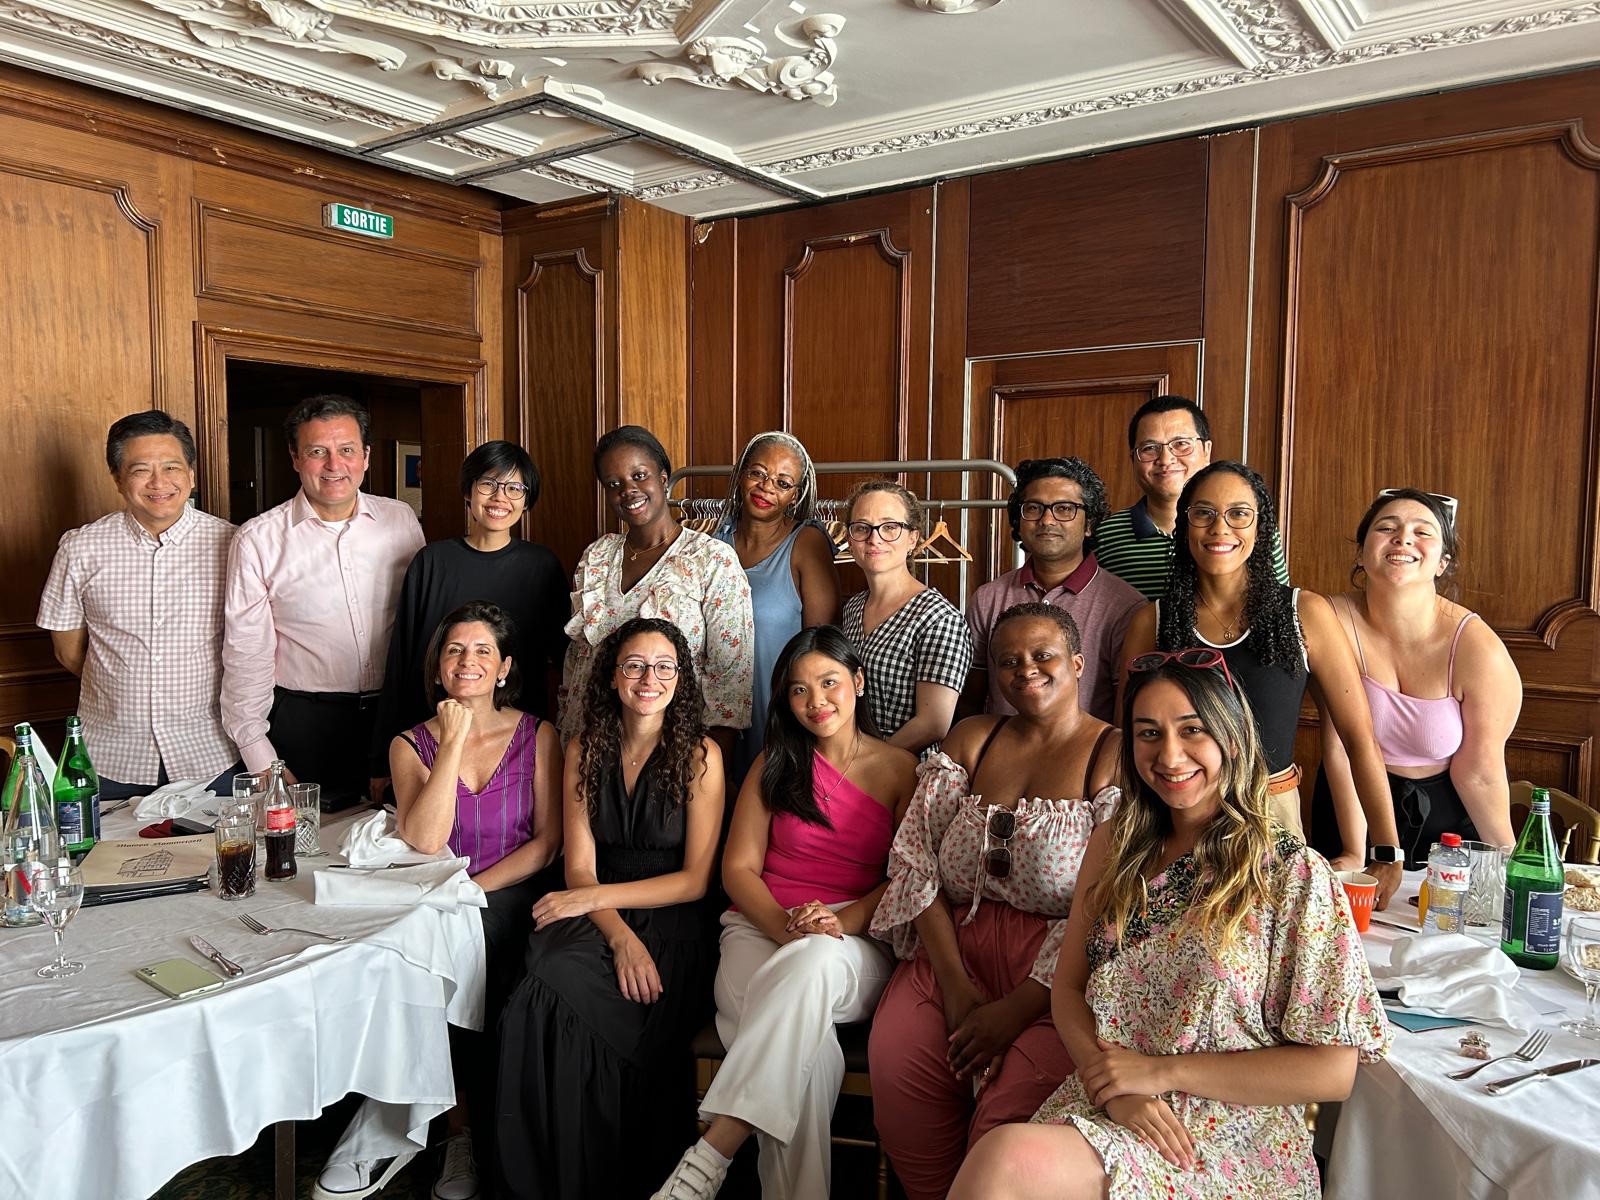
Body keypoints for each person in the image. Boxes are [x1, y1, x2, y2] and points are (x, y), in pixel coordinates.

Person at [948, 653, 1390, 1200]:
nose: (1170, 755)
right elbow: (1067, 991)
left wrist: (1161, 1073)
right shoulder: (1113, 845)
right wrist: (1113, 1089)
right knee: (1002, 1158)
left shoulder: (1291, 872)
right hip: (1111, 1103)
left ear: (1232, 737)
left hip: (1230, 1138)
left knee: (1006, 1161)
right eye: (1149, 733)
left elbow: (1333, 1072)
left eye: (1192, 730)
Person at [652, 626, 917, 1200]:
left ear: (859, 682)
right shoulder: (775, 762)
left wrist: (840, 923)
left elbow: (909, 878)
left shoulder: (903, 770)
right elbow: (738, 869)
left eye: (829, 682)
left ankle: (709, 1156)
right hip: (760, 925)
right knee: (810, 1059)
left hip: (854, 939)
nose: (816, 701)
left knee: (815, 960)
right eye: (799, 690)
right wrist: (782, 926)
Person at [868, 603, 1121, 1200]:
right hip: (950, 950)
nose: (1025, 670)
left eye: (1043, 656)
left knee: (1005, 1129)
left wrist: (1015, 1010)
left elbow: (1105, 901)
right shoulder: (974, 737)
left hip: (1059, 975)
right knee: (898, 1068)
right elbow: (915, 856)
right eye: (1008, 661)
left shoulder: (1111, 754)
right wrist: (955, 985)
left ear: (1077, 663)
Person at [316, 602, 563, 1200]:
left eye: (482, 651)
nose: (467, 661)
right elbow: (426, 839)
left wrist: (474, 890)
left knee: (457, 948)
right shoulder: (410, 744)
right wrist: (451, 740)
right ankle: (444, 1130)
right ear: (437, 669)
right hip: (432, 892)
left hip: (508, 890)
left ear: (505, 667)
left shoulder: (540, 735)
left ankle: (417, 1130)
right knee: (412, 951)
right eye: (454, 650)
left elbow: (548, 843)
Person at [498, 617, 725, 1200]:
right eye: (635, 666)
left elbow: (695, 881)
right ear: (612, 676)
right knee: (543, 982)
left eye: (665, 667)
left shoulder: (701, 755)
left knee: (578, 994)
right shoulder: (582, 748)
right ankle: (551, 1182)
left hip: (672, 918)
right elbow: (580, 868)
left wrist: (598, 900)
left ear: (681, 678)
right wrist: (619, 935)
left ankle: (611, 1177)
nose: (650, 679)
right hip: (599, 912)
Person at [1118, 461, 1393, 895]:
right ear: (1184, 525)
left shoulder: (1305, 613)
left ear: (1261, 527)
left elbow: (1359, 739)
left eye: (1238, 514)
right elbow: (1129, 741)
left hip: (1272, 816)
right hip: (1174, 815)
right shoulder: (1151, 621)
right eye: (1203, 513)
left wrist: (1387, 851)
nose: (1219, 528)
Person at [221, 394, 423, 809]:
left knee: (402, 838)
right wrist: (260, 757)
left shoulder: (400, 519)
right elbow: (246, 653)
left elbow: (422, 620)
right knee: (306, 842)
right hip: (305, 725)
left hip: (396, 720)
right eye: (317, 452)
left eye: (347, 450)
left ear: (366, 456)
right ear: (295, 458)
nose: (334, 465)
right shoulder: (258, 539)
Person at [1310, 489, 1521, 885]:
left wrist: (1510, 864)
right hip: (1349, 807)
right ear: (1360, 554)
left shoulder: (1477, 647)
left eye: (1422, 532)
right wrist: (1355, 851)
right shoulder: (1328, 619)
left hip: (1448, 825)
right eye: (1386, 528)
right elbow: (1339, 746)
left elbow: (1480, 772)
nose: (1403, 538)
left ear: (1442, 563)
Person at [36, 410, 239, 801]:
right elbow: (68, 651)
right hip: (111, 757)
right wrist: (128, 686)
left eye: (172, 467)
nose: (159, 482)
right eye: (141, 470)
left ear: (191, 475)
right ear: (117, 478)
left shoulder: (234, 544)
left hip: (210, 753)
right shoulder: (80, 548)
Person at [559, 426, 754, 750]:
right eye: (614, 484)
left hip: (672, 752)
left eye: (639, 476)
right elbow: (576, 662)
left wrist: (710, 766)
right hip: (587, 745)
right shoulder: (597, 555)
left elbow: (731, 683)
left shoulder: (710, 560)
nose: (628, 490)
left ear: (663, 479)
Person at [374, 440, 567, 761]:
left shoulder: (542, 566)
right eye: (488, 484)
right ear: (468, 491)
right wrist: (382, 753)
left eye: (514, 488)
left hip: (515, 743)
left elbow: (565, 660)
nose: (500, 497)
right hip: (429, 736)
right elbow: (401, 659)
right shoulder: (431, 562)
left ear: (527, 500)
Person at [966, 458, 1143, 723]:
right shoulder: (987, 598)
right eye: (1034, 508)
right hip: (1000, 747)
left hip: (1089, 749)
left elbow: (1127, 712)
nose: (1047, 520)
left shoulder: (1125, 606)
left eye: (1064, 508)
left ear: (1089, 524)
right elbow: (969, 701)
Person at [712, 431, 840, 783]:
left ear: (794, 496)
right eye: (758, 473)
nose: (766, 487)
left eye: (782, 483)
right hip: (716, 715)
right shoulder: (712, 544)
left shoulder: (807, 542)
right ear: (741, 475)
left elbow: (821, 647)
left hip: (778, 714)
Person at [1095, 395, 1288, 600]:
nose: (1166, 459)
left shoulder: (1246, 528)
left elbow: (1278, 604)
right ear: (1133, 459)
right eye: (1149, 448)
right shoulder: (1105, 536)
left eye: (1181, 444)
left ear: (1206, 450)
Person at [840, 479, 972, 753]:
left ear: (912, 538)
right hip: (849, 758)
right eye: (862, 527)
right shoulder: (853, 608)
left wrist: (867, 763)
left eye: (890, 527)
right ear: (850, 539)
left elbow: (933, 724)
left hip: (904, 767)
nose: (875, 538)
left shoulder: (938, 618)